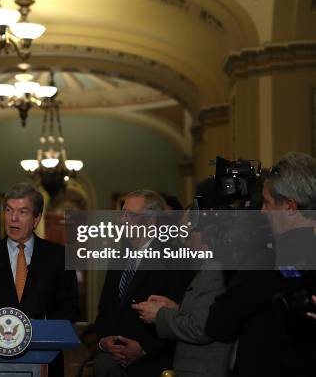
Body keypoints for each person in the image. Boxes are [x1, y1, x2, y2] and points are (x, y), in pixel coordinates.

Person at [206, 152, 316, 376]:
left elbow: (218, 324)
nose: (261, 212)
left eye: (267, 203)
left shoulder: (267, 260)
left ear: (290, 207)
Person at [0, 183, 79, 377]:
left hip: (43, 359)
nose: (13, 218)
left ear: (36, 218)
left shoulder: (59, 257)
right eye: (9, 210)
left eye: (22, 212)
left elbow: (71, 310)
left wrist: (37, 327)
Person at [94, 189, 189, 377]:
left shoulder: (173, 259)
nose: (123, 220)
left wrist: (143, 348)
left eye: (130, 215)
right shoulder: (118, 257)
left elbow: (178, 315)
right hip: (112, 362)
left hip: (152, 363)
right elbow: (105, 310)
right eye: (122, 214)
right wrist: (104, 341)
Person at [132, 213, 233, 377]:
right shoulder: (208, 267)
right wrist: (175, 309)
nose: (184, 244)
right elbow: (203, 314)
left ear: (203, 233)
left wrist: (159, 315)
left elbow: (202, 329)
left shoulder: (215, 271)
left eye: (185, 235)